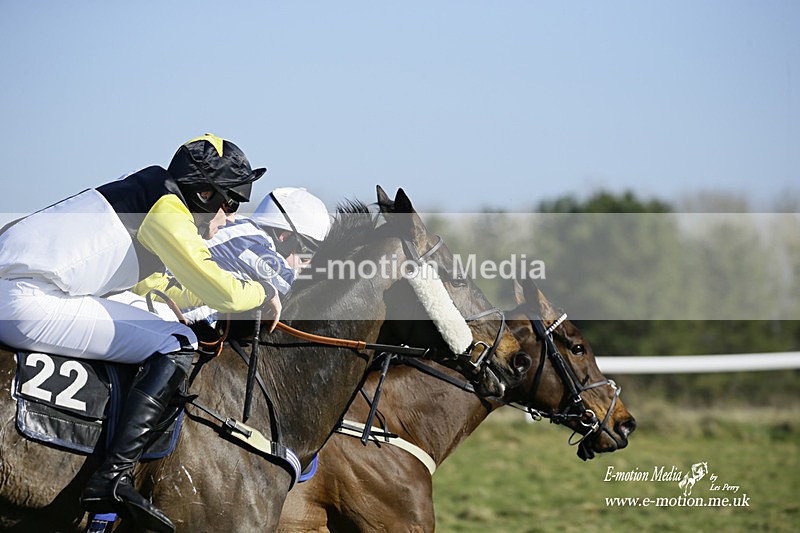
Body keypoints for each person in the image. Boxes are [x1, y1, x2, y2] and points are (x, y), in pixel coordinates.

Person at [0, 133, 277, 533]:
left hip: (21, 289)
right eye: (229, 202)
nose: (231, 216)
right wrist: (264, 292)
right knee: (177, 341)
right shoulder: (168, 212)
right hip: (25, 299)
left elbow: (157, 286)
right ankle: (113, 476)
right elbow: (224, 291)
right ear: (202, 193)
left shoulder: (152, 193)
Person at [135, 187, 331, 327]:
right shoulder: (258, 247)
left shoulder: (238, 228)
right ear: (285, 238)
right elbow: (299, 294)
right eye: (306, 254)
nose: (305, 265)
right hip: (161, 317)